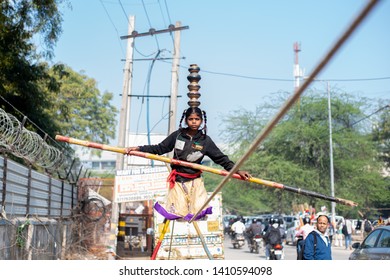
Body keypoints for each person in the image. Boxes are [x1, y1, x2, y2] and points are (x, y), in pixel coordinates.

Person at [126, 107, 251, 221]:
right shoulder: (178, 136)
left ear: (201, 121)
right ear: (186, 120)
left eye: (197, 119)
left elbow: (221, 158)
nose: (194, 122)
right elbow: (160, 148)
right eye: (191, 119)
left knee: (198, 209)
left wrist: (237, 170)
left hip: (195, 182)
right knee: (178, 210)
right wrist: (138, 149)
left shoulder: (205, 141)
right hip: (179, 181)